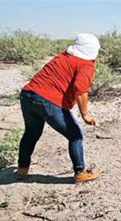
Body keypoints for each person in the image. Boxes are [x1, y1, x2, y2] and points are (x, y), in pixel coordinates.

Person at [15, 33, 101, 183]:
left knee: (31, 133)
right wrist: (85, 114)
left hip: (27, 96)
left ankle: (22, 169)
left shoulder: (62, 56)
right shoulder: (86, 64)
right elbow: (80, 89)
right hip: (47, 101)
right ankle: (80, 172)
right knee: (75, 136)